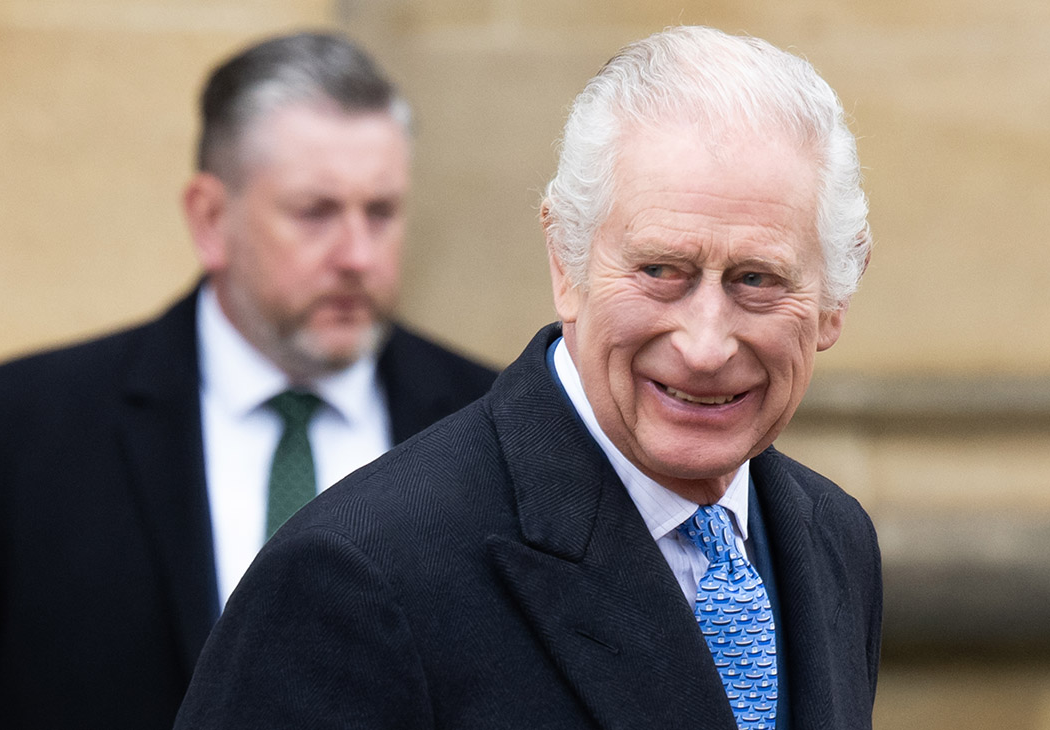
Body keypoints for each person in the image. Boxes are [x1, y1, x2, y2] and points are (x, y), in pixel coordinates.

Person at [175, 25, 881, 730]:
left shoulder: (833, 539)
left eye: (757, 281)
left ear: (833, 303)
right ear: (565, 264)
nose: (704, 345)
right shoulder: (357, 579)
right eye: (661, 271)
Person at [0, 31, 496, 730]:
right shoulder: (29, 431)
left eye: (380, 213)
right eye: (315, 213)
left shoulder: (496, 424)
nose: (357, 255)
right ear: (210, 219)